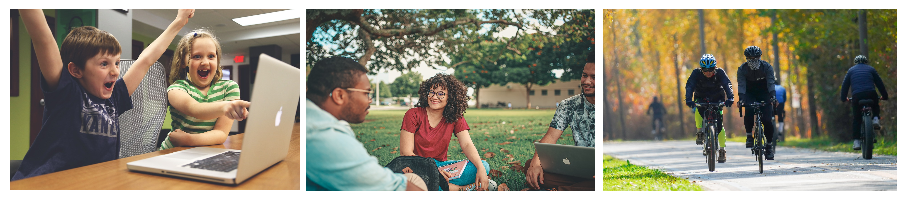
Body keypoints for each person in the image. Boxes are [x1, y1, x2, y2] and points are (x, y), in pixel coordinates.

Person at [12, 9, 193, 181]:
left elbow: (146, 60)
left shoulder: (115, 97)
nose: (115, 71)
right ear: (76, 70)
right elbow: (42, 38)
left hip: (94, 182)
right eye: (104, 64)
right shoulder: (66, 92)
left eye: (117, 63)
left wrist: (179, 21)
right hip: (46, 183)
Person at [306, 57, 426, 191]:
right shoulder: (325, 136)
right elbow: (397, 189)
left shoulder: (311, 119)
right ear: (339, 95)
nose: (369, 100)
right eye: (366, 93)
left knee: (412, 178)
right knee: (414, 181)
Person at [158, 29, 251, 150]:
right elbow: (195, 109)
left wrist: (189, 140)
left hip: (204, 152)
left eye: (211, 56)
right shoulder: (176, 89)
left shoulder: (229, 88)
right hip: (172, 152)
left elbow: (221, 133)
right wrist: (225, 106)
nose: (205, 62)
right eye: (197, 56)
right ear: (183, 62)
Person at [399, 73, 494, 191]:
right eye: (431, 92)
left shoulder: (455, 117)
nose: (434, 97)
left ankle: (439, 186)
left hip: (441, 167)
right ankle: (463, 189)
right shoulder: (413, 114)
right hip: (416, 166)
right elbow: (405, 153)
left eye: (441, 94)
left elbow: (466, 144)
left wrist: (480, 169)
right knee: (414, 181)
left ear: (451, 97)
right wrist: (433, 172)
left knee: (483, 165)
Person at [525, 52, 595, 191]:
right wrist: (535, 163)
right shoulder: (568, 105)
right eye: (584, 75)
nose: (587, 81)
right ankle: (578, 189)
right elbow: (551, 137)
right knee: (531, 166)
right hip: (580, 171)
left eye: (594, 77)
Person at [685, 54, 734, 163]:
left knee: (720, 124)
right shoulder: (696, 73)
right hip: (701, 97)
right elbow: (690, 86)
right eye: (705, 70)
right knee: (698, 108)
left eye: (711, 69)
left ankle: (722, 150)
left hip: (717, 98)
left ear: (715, 68)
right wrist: (688, 99)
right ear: (701, 69)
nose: (708, 72)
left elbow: (727, 84)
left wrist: (731, 98)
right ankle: (699, 132)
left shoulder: (720, 73)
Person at [840, 55, 889, 150]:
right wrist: (884, 96)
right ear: (866, 62)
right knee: (875, 104)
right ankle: (875, 118)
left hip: (857, 95)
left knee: (857, 118)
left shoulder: (851, 71)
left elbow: (845, 86)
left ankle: (857, 142)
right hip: (871, 93)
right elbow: (880, 84)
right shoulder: (871, 69)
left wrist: (843, 98)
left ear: (855, 63)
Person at [737, 46, 777, 160]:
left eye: (756, 58)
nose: (753, 61)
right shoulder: (742, 69)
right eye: (750, 59)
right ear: (746, 59)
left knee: (767, 120)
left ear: (760, 58)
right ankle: (749, 135)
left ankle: (769, 146)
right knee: (749, 110)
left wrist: (773, 97)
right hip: (749, 93)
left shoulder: (767, 67)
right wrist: (741, 99)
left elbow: (771, 83)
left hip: (764, 93)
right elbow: (741, 85)